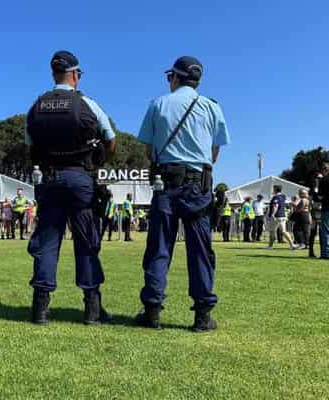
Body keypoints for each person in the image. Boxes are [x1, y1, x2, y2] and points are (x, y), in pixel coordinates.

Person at [136, 55, 230, 331]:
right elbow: (215, 152)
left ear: (175, 77)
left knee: (159, 247)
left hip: (166, 183)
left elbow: (148, 149)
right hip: (199, 183)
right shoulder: (212, 107)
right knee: (200, 249)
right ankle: (202, 314)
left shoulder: (158, 104)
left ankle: (152, 310)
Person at [26, 50, 116, 324]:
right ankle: (91, 309)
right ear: (75, 74)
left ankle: (40, 308)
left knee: (47, 243)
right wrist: (98, 161)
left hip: (50, 180)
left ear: (53, 73)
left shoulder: (37, 105)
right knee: (87, 241)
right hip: (80, 179)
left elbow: (30, 147)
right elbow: (111, 139)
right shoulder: (87, 103)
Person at [266, 185, 297, 250]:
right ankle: (292, 245)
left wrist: (272, 214)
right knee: (284, 231)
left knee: (272, 231)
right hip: (283, 216)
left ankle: (270, 246)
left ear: (275, 189)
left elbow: (276, 206)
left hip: (276, 216)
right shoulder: (283, 196)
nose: (272, 190)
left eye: (273, 189)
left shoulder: (275, 197)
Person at [309, 174, 322, 258]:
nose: (317, 180)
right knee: (313, 232)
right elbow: (310, 200)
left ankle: (323, 252)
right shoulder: (312, 190)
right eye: (317, 178)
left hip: (321, 212)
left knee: (322, 233)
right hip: (315, 212)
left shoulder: (323, 188)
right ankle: (311, 251)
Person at [319, 162, 329, 259]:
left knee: (325, 231)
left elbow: (320, 195)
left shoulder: (323, 180)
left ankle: (326, 254)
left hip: (326, 207)